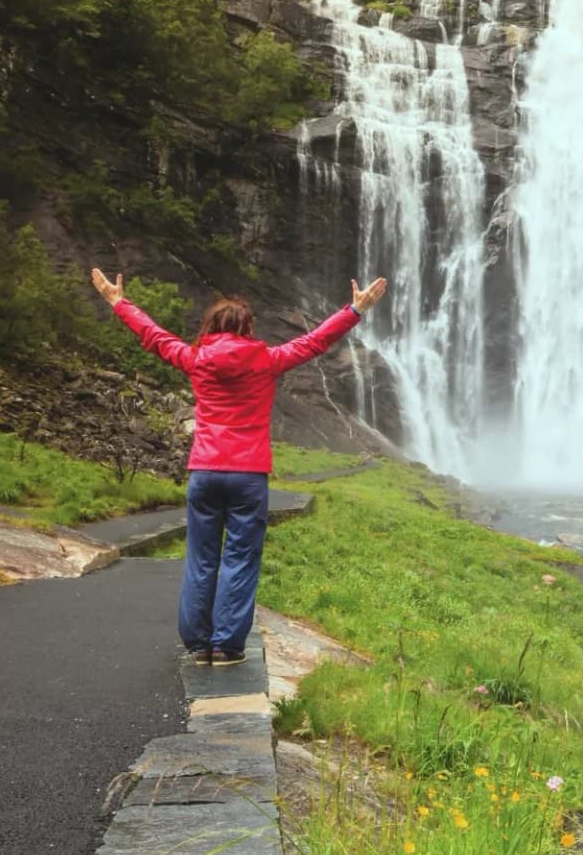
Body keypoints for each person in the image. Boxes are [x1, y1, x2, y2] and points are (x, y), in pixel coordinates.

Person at [92, 268, 388, 666]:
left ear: (211, 326)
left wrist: (118, 303)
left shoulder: (196, 359)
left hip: (205, 471)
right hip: (248, 474)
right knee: (240, 558)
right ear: (247, 328)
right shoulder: (266, 360)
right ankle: (227, 644)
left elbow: (154, 336)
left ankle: (198, 644)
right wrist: (354, 310)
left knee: (201, 557)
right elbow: (315, 342)